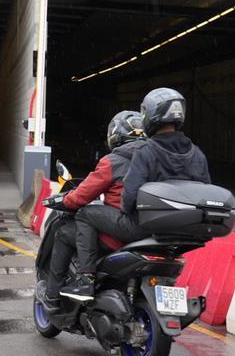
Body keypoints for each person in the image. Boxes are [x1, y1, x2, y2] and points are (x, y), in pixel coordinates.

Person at [60, 87, 211, 301]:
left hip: (142, 227)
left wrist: (126, 212)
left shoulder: (147, 151)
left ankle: (86, 279)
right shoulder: (196, 153)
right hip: (180, 233)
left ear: (151, 116)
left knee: (85, 213)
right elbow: (204, 188)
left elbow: (130, 194)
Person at [43, 110, 146, 307]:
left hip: (119, 234)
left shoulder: (113, 161)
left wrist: (65, 201)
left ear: (115, 135)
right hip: (150, 232)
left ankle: (58, 292)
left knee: (66, 231)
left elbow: (81, 196)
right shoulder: (156, 160)